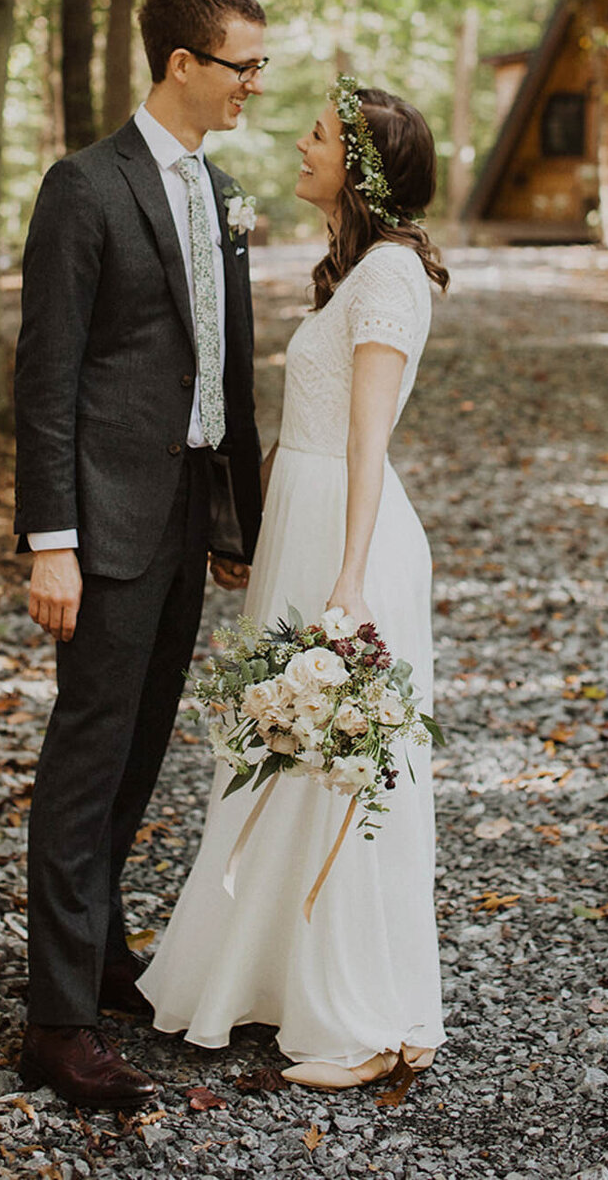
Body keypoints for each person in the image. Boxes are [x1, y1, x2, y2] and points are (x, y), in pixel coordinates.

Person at [140, 77, 449, 1089]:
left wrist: (349, 579)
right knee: (282, 751)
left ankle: (362, 1013)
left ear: (361, 166)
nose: (300, 144)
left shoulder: (393, 278)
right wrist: (251, 527)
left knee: (339, 767)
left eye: (318, 135)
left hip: (348, 539)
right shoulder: (358, 270)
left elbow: (368, 439)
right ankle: (276, 975)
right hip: (304, 527)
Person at [13, 0, 267, 1107]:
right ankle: (57, 1020)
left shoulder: (221, 191)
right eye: (240, 65)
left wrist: (234, 522)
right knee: (84, 762)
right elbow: (47, 376)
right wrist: (50, 538)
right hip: (103, 521)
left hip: (183, 516)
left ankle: (102, 953)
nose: (255, 82)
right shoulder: (85, 187)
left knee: (138, 751)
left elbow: (224, 373)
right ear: (181, 65)